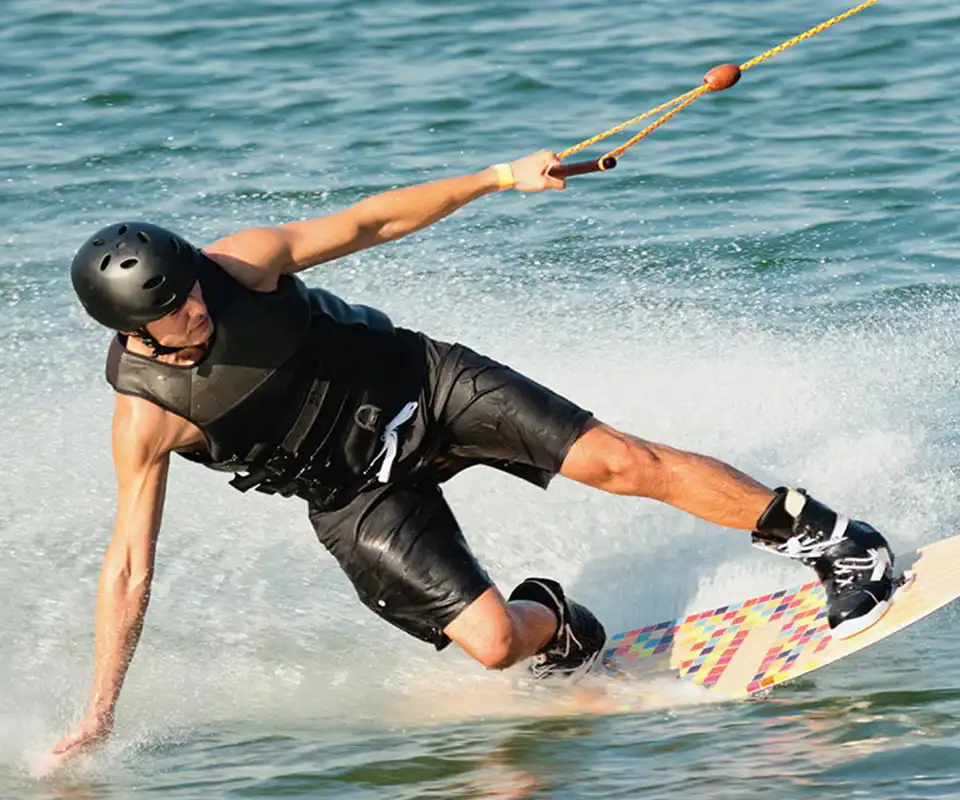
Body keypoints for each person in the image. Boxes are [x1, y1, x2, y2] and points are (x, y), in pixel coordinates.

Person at [51, 149, 895, 766]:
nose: (198, 304)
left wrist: (499, 177)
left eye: (192, 284)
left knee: (619, 462)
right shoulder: (146, 417)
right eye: (177, 310)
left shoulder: (244, 264)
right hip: (350, 490)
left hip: (425, 383)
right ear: (132, 330)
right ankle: (560, 624)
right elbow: (127, 567)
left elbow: (371, 220)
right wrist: (99, 712)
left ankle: (833, 541)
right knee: (494, 645)